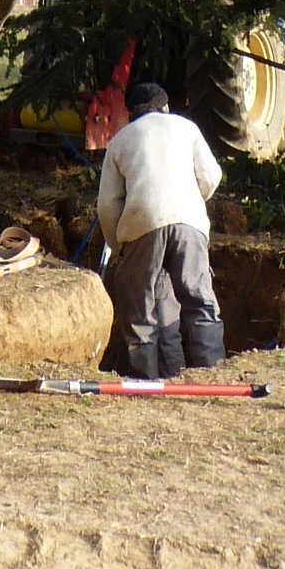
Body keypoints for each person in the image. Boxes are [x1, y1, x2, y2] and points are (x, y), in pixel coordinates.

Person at [95, 79, 226, 377]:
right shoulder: (186, 127)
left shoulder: (120, 140)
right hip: (190, 224)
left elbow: (107, 205)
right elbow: (211, 176)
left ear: (132, 114)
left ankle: (144, 384)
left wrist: (120, 246)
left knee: (140, 314)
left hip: (142, 224)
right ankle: (212, 376)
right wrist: (189, 204)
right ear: (165, 107)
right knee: (200, 304)